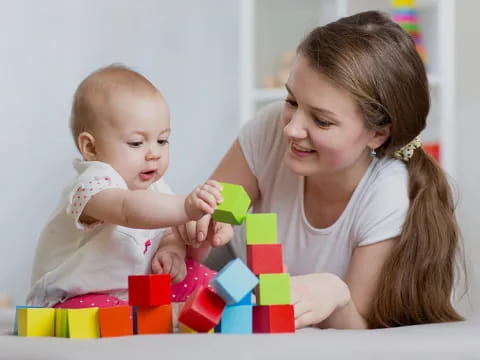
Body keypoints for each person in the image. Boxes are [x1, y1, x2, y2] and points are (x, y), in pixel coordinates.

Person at [166, 11, 465, 329]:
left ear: (378, 133)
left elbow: (360, 329)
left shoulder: (386, 194)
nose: (292, 129)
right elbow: (201, 223)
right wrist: (187, 233)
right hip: (231, 276)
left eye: (321, 120)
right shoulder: (270, 127)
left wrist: (337, 295)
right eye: (292, 101)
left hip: (313, 323)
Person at [26, 65, 231, 309]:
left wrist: (172, 251)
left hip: (138, 290)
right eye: (136, 143)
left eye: (162, 140)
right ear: (91, 148)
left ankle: (235, 303)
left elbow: (167, 232)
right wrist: (185, 206)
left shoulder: (156, 187)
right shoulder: (92, 185)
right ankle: (159, 316)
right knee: (108, 315)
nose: (154, 153)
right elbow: (127, 209)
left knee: (205, 280)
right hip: (74, 295)